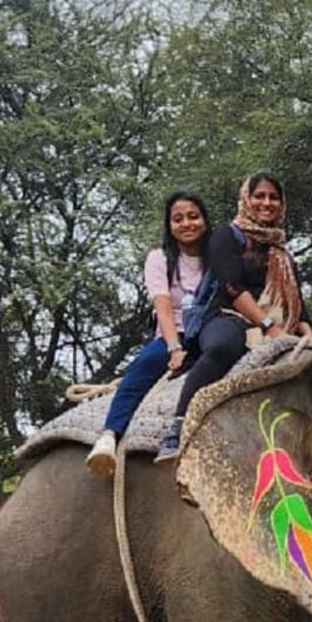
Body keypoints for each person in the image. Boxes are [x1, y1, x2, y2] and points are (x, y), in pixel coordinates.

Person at [154, 171, 312, 463]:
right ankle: (177, 427)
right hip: (229, 315)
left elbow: (296, 301)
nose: (266, 203)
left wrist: (308, 333)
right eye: (259, 196)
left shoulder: (281, 252)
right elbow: (231, 286)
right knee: (223, 347)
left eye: (273, 197)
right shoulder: (227, 236)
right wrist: (267, 325)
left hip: (280, 324)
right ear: (246, 199)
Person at [86, 191, 212, 476]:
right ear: (169, 225)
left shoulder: (216, 257)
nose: (186, 223)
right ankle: (109, 435)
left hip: (210, 330)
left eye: (193, 216)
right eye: (178, 219)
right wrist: (173, 347)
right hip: (176, 332)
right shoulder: (160, 259)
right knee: (142, 368)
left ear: (205, 220)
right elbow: (164, 308)